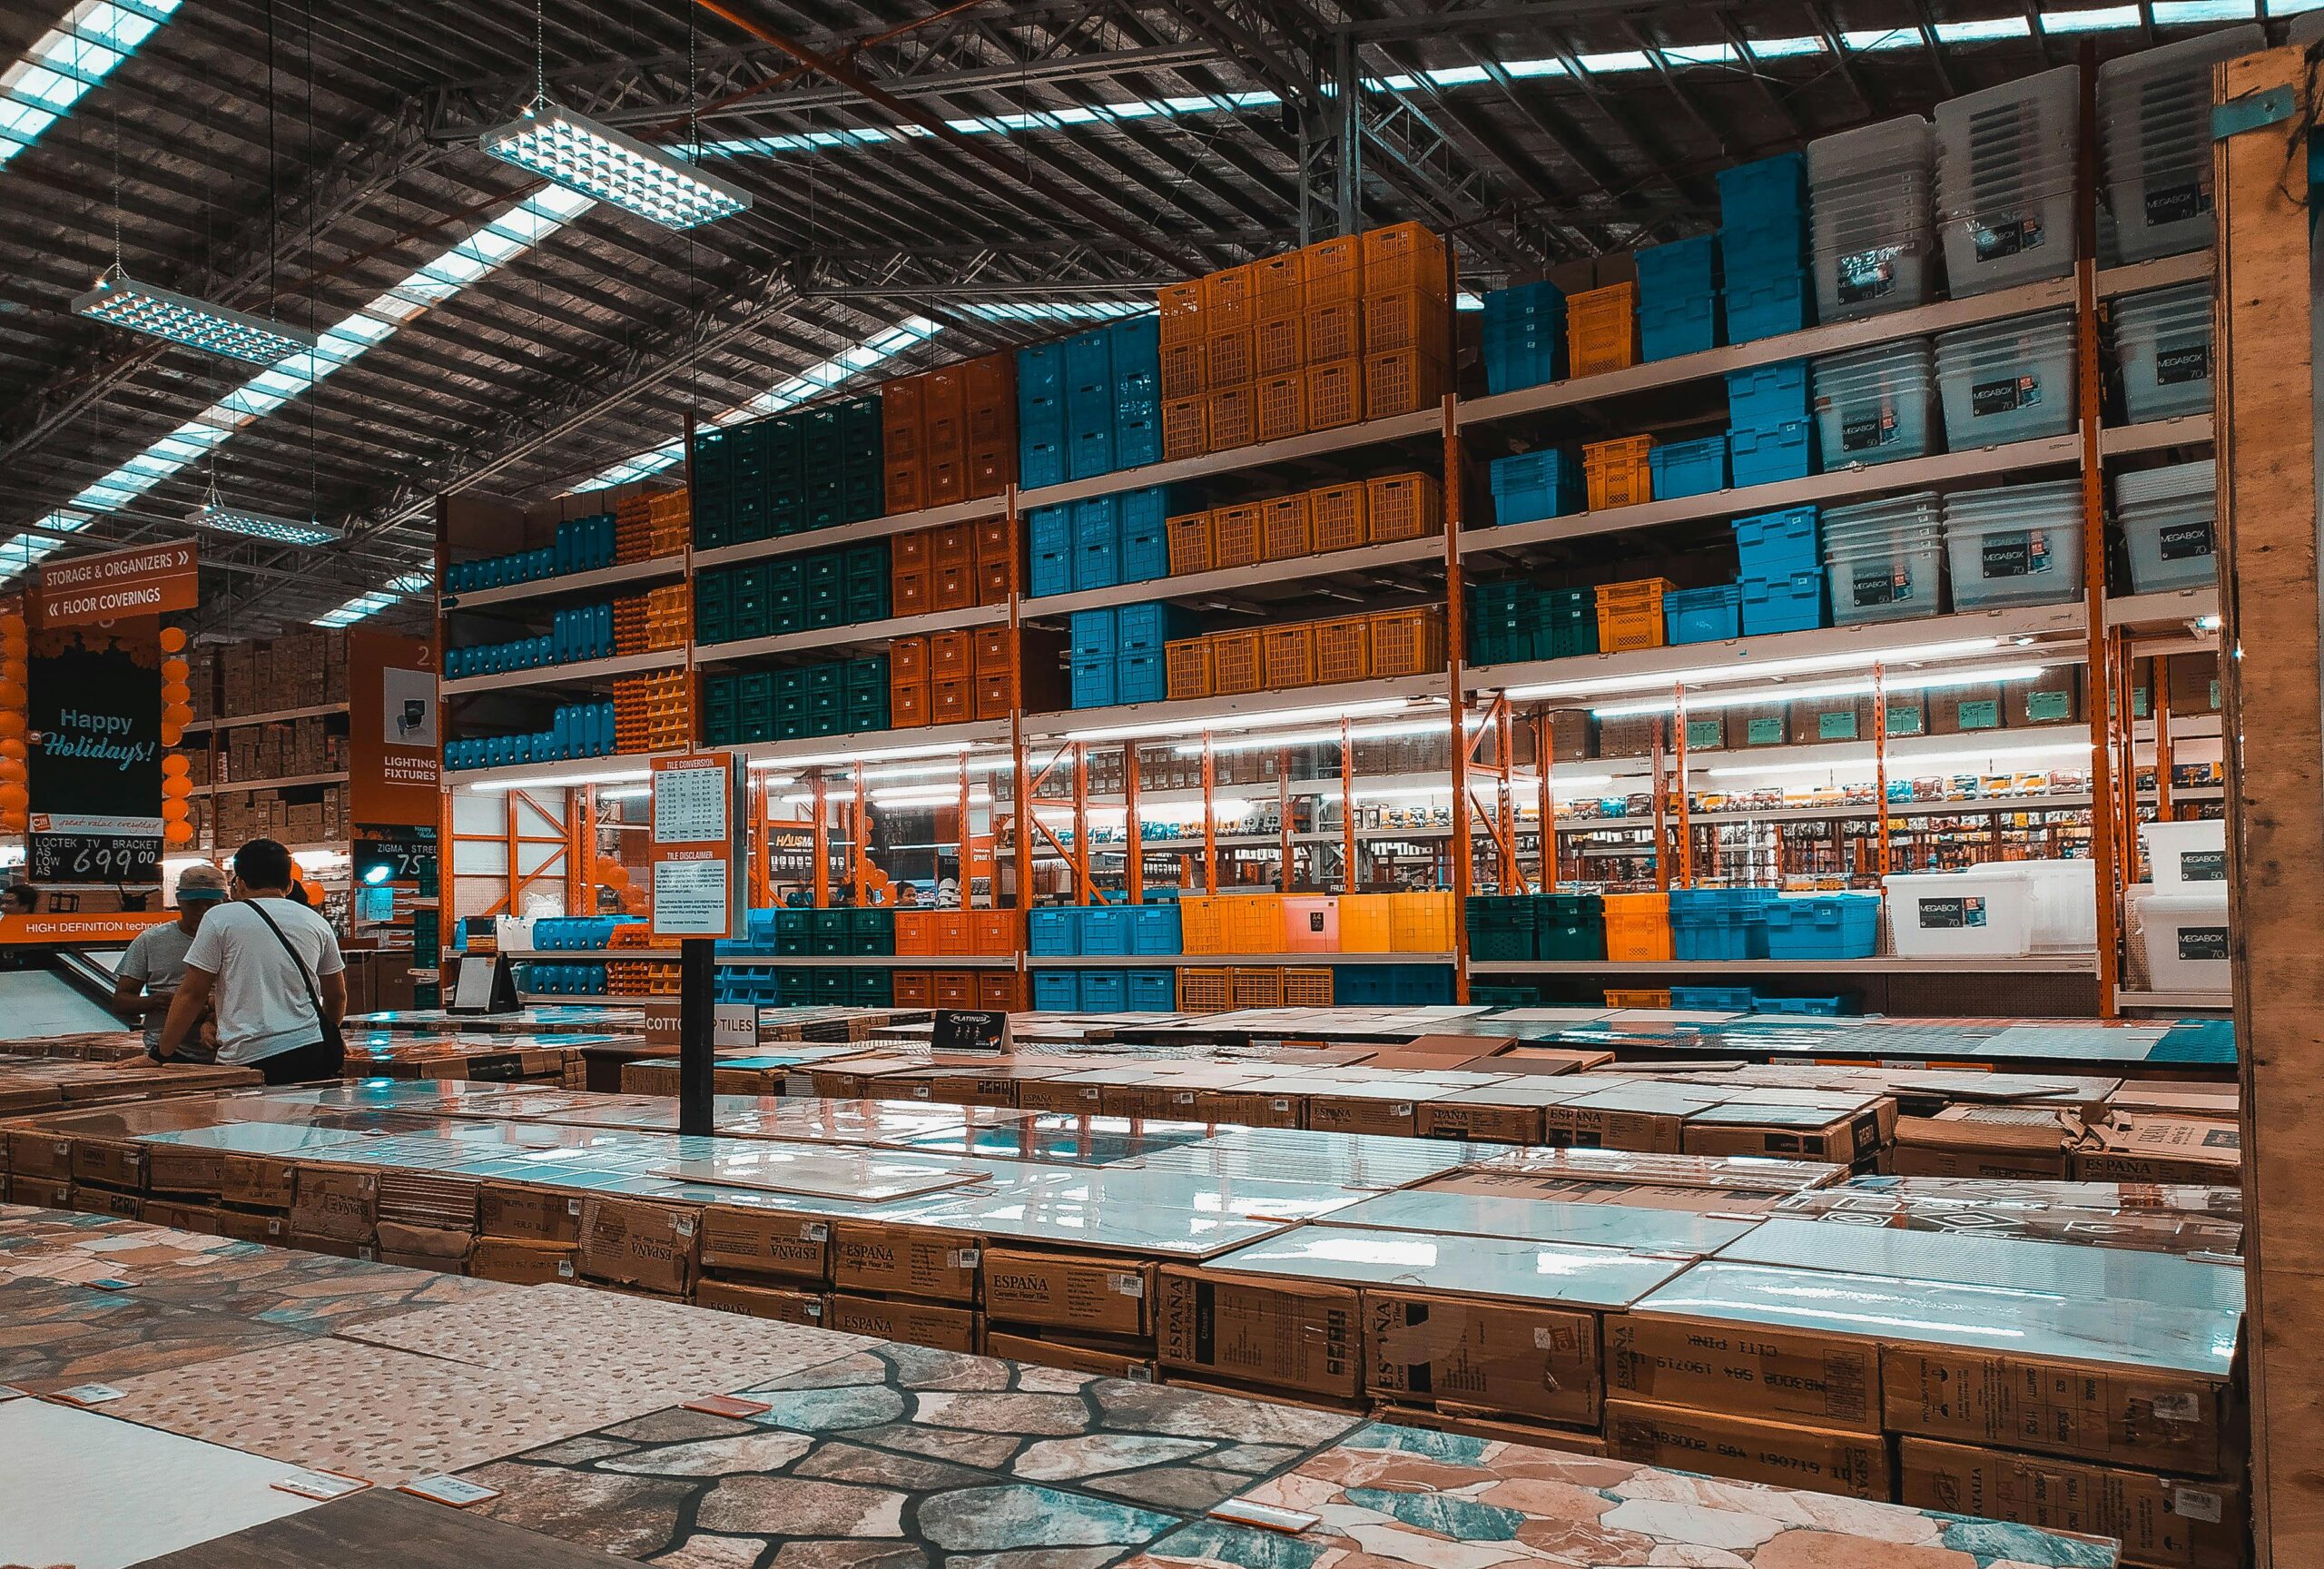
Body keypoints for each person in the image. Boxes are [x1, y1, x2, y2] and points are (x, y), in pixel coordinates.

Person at [154, 838, 345, 1084]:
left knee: (240, 1121)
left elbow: (192, 994)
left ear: (240, 884)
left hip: (247, 1056)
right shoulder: (316, 922)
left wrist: (161, 1054)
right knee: (299, 1121)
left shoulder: (220, 918)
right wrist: (329, 1032)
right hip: (308, 1051)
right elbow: (336, 996)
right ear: (288, 884)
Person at [115, 863, 229, 1055]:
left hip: (224, 1051)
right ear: (179, 901)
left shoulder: (232, 941)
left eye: (211, 904)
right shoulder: (151, 941)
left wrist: (209, 1014)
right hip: (163, 1051)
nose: (202, 911)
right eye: (194, 904)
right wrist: (153, 1002)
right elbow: (121, 1000)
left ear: (225, 901)